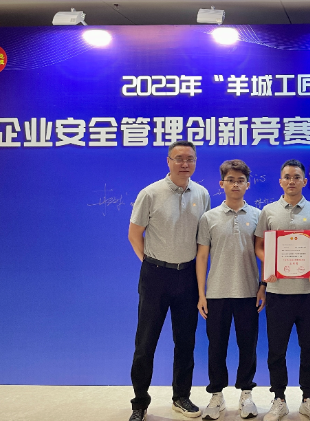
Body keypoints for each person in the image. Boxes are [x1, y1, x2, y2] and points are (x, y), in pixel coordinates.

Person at [127, 141, 211, 421]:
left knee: (185, 342)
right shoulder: (150, 193)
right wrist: (150, 262)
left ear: (195, 162)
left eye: (190, 159)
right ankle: (140, 402)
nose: (185, 163)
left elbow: (203, 241)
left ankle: (181, 397)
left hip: (187, 275)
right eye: (179, 158)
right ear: (168, 161)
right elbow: (134, 234)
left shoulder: (202, 194)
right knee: (145, 342)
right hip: (155, 276)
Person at [254, 159, 310, 421]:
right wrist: (270, 264)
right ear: (280, 181)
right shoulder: (269, 212)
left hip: (308, 292)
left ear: (304, 181)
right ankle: (279, 399)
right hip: (278, 291)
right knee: (277, 349)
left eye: (297, 177)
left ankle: (308, 398)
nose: (292, 181)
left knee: (309, 348)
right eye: (287, 177)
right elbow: (259, 246)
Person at [196, 159, 265, 420]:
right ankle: (216, 395)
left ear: (248, 185)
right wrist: (201, 294)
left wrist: (263, 285)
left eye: (240, 180)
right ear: (221, 184)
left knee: (248, 346)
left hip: (248, 292)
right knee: (217, 347)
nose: (235, 185)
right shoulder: (208, 217)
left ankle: (246, 394)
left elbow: (265, 253)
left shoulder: (258, 215)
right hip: (216, 293)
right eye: (231, 180)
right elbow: (202, 257)